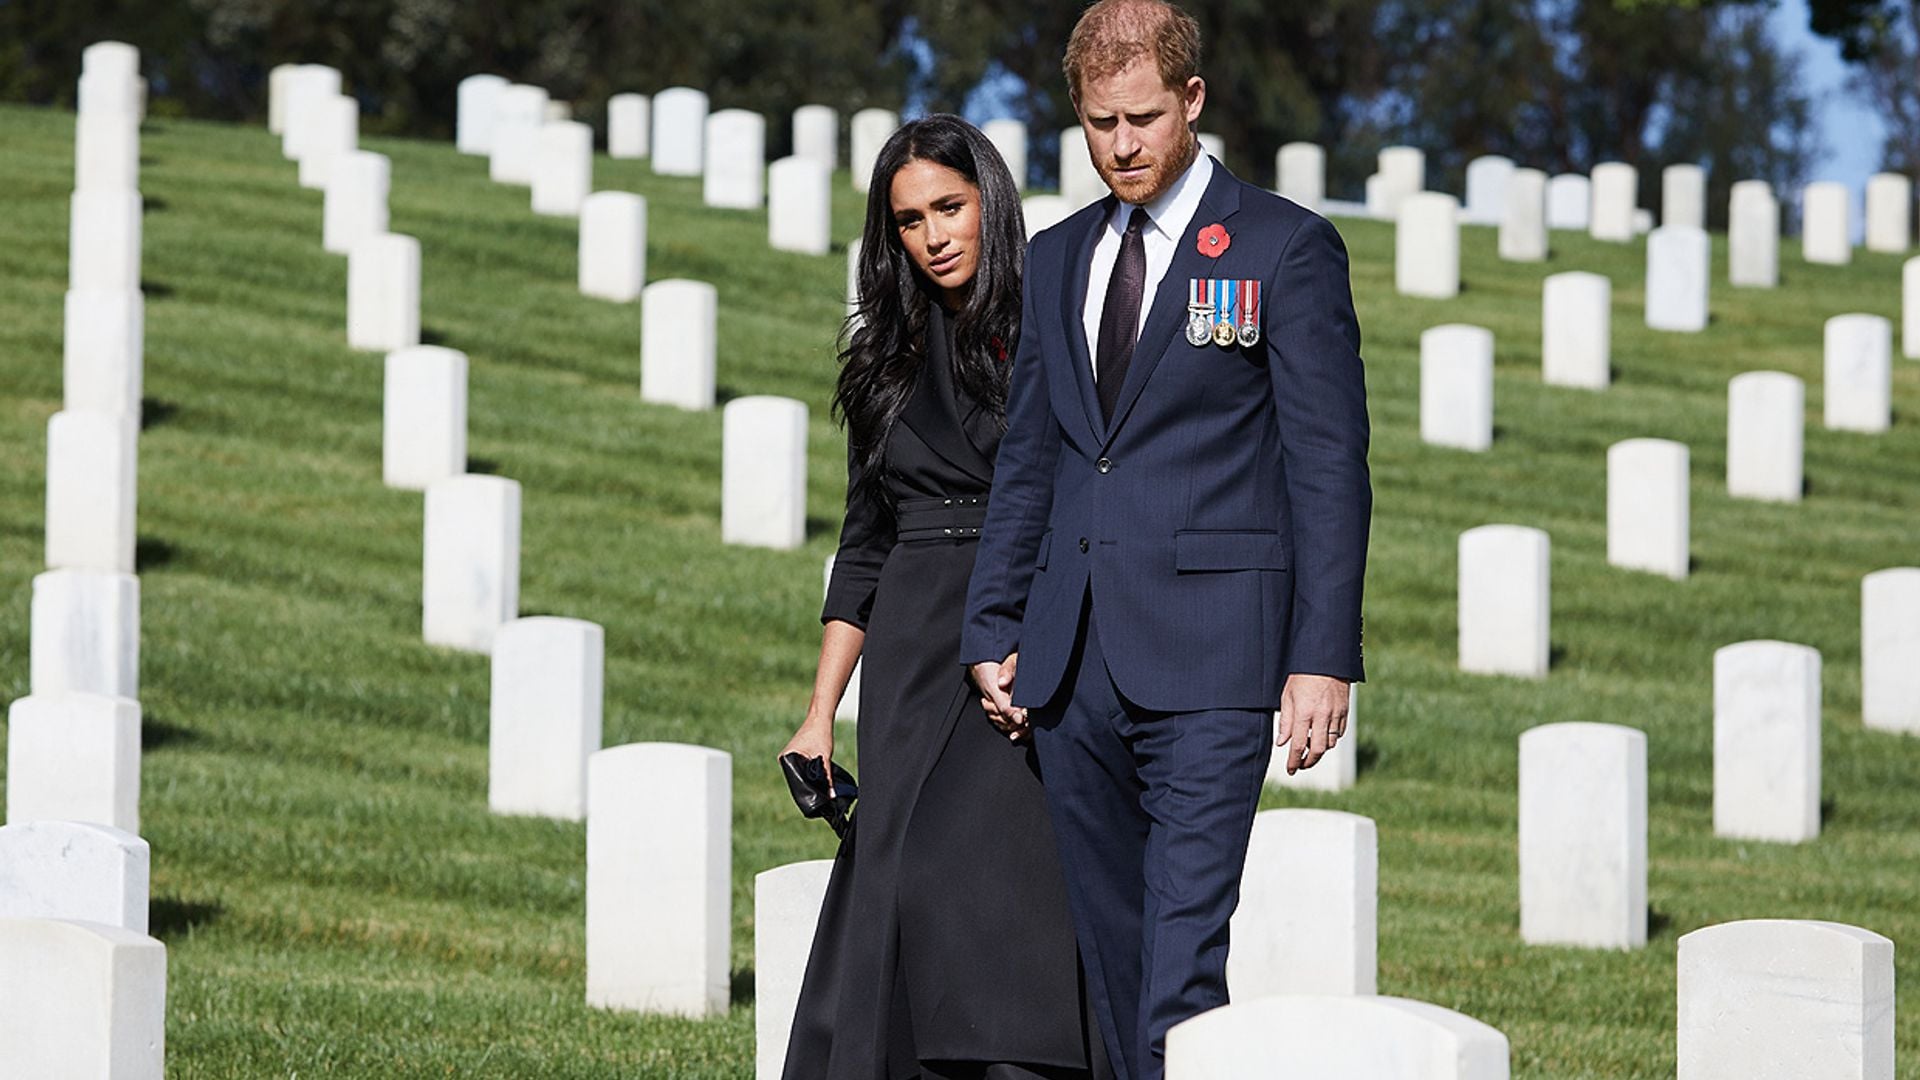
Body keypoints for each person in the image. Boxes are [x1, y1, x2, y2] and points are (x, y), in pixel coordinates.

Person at [959, 3, 1372, 1079]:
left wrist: (1321, 654)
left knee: (1182, 959)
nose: (1123, 144)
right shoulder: (1054, 259)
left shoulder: (1283, 248)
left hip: (1215, 662)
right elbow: (1035, 461)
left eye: (1143, 116)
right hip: (1070, 662)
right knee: (1108, 955)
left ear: (1191, 101)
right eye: (1100, 123)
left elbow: (1328, 467)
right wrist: (994, 622)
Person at [781, 114, 1106, 1080]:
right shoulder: (879, 362)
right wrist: (816, 718)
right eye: (910, 220)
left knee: (991, 880)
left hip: (1015, 624)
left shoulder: (1051, 328)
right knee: (904, 875)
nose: (934, 234)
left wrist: (1035, 638)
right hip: (914, 643)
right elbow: (862, 544)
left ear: (989, 202)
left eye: (950, 207)